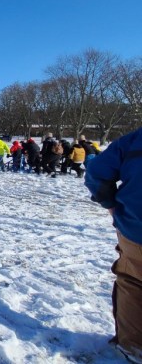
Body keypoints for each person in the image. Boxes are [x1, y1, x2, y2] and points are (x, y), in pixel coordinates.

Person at [85, 128, 142, 361]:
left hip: (136, 226)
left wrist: (109, 203)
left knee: (134, 284)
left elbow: (96, 171)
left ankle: (134, 345)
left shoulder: (135, 140)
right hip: (135, 227)